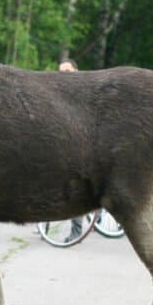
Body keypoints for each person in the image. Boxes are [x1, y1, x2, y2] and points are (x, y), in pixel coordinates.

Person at [58, 58, 84, 243]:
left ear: (76, 71)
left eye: (68, 71)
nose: (64, 76)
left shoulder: (84, 91)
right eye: (61, 72)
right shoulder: (60, 92)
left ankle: (77, 230)